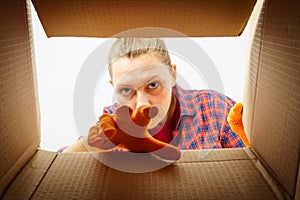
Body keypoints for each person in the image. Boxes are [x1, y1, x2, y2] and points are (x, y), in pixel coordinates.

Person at [62, 38, 246, 153]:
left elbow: (260, 166)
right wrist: (89, 144)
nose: (142, 104)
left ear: (172, 75)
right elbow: (55, 171)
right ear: (113, 87)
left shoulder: (215, 108)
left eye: (152, 85)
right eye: (126, 90)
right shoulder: (111, 125)